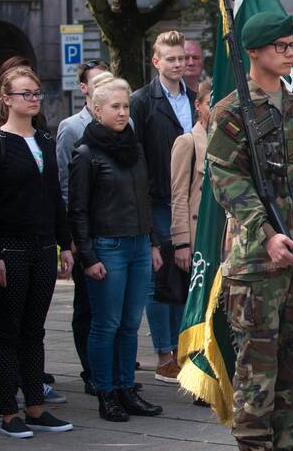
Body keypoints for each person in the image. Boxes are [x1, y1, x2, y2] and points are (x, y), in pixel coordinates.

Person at [207, 11, 293, 451]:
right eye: (278, 45)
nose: (288, 51)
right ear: (253, 52)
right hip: (258, 261)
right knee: (258, 368)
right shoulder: (231, 112)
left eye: (290, 44)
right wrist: (267, 233)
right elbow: (227, 183)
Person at [0, 66, 74, 439]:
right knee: (6, 331)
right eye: (25, 94)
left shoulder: (45, 141)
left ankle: (35, 404)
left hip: (43, 245)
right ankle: (8, 411)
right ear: (7, 99)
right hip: (9, 248)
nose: (33, 99)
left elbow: (53, 197)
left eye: (36, 94)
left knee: (34, 329)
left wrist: (65, 244)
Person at [70, 76, 165, 423]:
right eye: (115, 107)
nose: (123, 112)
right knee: (106, 323)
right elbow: (78, 209)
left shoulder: (134, 148)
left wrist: (152, 242)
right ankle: (105, 392)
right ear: (97, 111)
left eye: (126, 106)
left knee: (129, 323)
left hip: (138, 242)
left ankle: (126, 388)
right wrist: (88, 256)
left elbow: (145, 198)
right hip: (107, 245)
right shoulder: (86, 153)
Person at [131, 30, 196, 384]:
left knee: (189, 275)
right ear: (156, 62)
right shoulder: (142, 101)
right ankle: (164, 353)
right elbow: (137, 156)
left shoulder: (194, 98)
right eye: (170, 59)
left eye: (182, 58)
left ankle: (187, 347)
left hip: (192, 197)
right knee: (162, 277)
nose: (178, 64)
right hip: (159, 199)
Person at [56, 59, 110, 395]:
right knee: (87, 305)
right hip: (85, 230)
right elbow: (64, 185)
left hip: (114, 228)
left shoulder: (123, 122)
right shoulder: (72, 128)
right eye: (97, 83)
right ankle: (90, 369)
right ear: (85, 89)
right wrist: (72, 237)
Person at [170, 80, 211, 273]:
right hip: (198, 235)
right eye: (211, 103)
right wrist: (181, 242)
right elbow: (178, 195)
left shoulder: (232, 142)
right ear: (198, 105)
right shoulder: (187, 142)